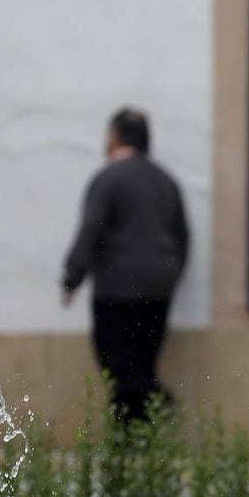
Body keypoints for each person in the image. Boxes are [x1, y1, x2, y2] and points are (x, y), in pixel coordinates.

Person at [62, 108, 189, 423]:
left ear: (115, 136)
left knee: (118, 368)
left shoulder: (108, 179)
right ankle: (139, 441)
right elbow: (183, 236)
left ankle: (157, 408)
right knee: (143, 362)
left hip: (116, 292)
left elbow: (91, 229)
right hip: (159, 291)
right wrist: (171, 275)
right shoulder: (166, 182)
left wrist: (72, 277)